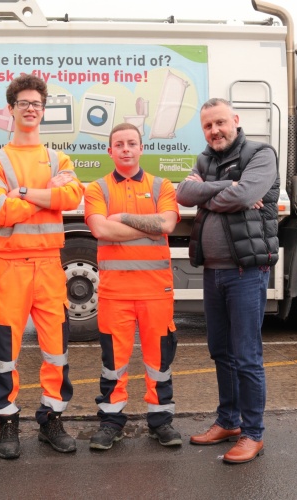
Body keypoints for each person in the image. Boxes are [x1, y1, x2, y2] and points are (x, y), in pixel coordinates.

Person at [0, 74, 84, 460]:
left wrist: (21, 192)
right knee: (5, 348)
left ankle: (51, 419)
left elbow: (73, 194)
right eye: (23, 103)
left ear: (43, 110)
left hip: (49, 264)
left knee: (56, 348)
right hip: (10, 266)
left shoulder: (58, 158)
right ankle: (7, 420)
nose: (30, 109)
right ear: (11, 110)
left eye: (36, 104)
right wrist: (46, 196)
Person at [176, 98, 279, 464]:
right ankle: (229, 421)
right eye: (208, 126)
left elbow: (247, 194)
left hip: (245, 272)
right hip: (213, 271)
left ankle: (253, 433)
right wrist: (225, 188)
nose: (214, 131)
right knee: (221, 350)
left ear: (235, 120)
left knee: (247, 355)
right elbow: (183, 194)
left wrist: (214, 192)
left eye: (220, 122)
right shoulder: (205, 159)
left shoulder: (261, 154)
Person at [84, 122, 181, 450]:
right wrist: (148, 226)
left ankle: (161, 420)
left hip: (156, 291)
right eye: (119, 144)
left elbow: (166, 223)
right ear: (109, 151)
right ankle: (111, 421)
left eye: (131, 143)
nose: (126, 149)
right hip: (115, 293)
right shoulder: (96, 189)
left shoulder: (161, 185)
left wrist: (122, 217)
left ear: (141, 149)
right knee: (113, 361)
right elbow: (101, 230)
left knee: (159, 360)